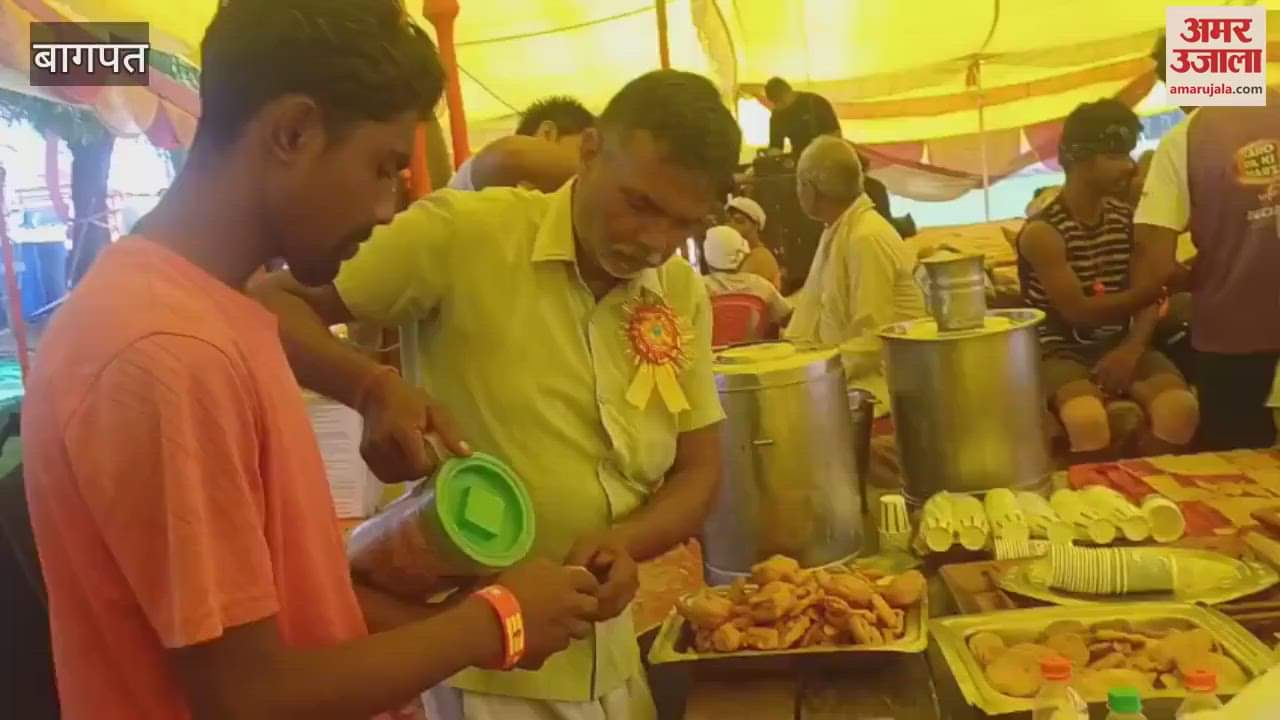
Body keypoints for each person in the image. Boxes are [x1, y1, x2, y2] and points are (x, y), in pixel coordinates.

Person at [20, 3, 601, 718]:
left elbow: (284, 615)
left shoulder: (215, 308)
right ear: (293, 132)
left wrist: (371, 388)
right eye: (385, 167)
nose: (391, 206)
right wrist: (493, 621)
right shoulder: (166, 354)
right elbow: (249, 694)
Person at [251, 69, 737, 720]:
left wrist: (628, 542)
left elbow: (699, 469)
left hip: (612, 655)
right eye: (640, 204)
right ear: (589, 150)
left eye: (682, 222)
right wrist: (371, 388)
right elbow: (270, 303)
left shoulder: (678, 292)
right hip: (483, 670)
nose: (652, 240)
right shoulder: (466, 234)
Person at [1017, 99, 1197, 455]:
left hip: (1121, 340)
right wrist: (1157, 287)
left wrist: (1132, 347)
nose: (1130, 167)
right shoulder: (1043, 233)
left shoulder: (1126, 218)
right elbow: (1079, 312)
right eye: (1116, 156)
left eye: (1129, 155)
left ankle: (1148, 491)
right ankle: (1096, 501)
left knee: (1181, 409)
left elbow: (1149, 295)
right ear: (1078, 159)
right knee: (1086, 420)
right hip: (1059, 350)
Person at [1133, 78, 1280, 450]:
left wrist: (1207, 268)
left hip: (1234, 333)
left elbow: (1158, 266)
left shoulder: (1182, 142)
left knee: (1238, 475)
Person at [784, 136, 926, 415]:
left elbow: (872, 339)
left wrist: (810, 375)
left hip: (879, 386)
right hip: (848, 376)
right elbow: (821, 301)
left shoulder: (865, 237)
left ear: (810, 190)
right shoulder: (842, 229)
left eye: (798, 184)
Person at [449, 95, 594, 192]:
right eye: (587, 152)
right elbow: (508, 156)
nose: (591, 160)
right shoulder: (480, 179)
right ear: (547, 133)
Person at [702, 225, 792, 325]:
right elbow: (787, 318)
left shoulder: (698, 287)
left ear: (707, 259)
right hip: (758, 341)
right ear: (744, 255)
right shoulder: (761, 285)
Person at [764, 76, 840, 158]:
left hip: (824, 157)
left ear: (789, 92)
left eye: (782, 101)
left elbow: (836, 134)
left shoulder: (815, 102)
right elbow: (776, 146)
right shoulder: (777, 115)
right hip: (799, 160)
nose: (779, 106)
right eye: (776, 103)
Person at [724, 195, 782, 288]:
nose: (732, 226)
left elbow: (734, 292)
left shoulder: (760, 256)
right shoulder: (740, 256)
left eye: (739, 221)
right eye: (728, 221)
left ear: (756, 226)